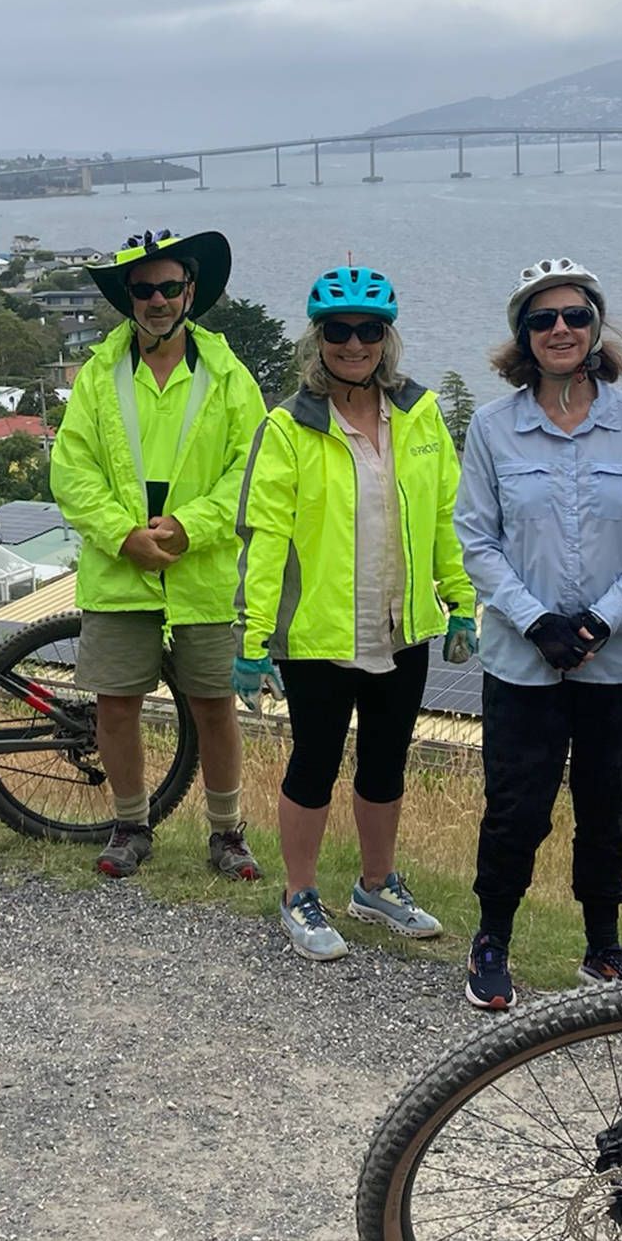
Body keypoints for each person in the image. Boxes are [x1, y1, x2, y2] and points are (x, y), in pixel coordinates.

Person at [452, 260, 622, 1010]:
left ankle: (603, 942)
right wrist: (538, 622)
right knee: (516, 805)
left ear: (596, 329)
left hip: (618, 659)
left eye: (575, 316)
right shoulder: (492, 427)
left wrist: (600, 619)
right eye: (543, 319)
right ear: (523, 335)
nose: (560, 329)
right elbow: (476, 540)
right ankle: (491, 937)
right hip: (523, 661)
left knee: (605, 804)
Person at [235, 267, 476, 961]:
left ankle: (375, 886)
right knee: (313, 765)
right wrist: (253, 641)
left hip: (401, 625)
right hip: (318, 633)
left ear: (386, 338)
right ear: (319, 340)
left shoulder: (421, 414)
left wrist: (460, 602)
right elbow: (264, 538)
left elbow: (445, 519)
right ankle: (298, 895)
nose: (354, 344)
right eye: (338, 332)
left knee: (385, 762)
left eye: (368, 331)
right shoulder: (287, 427)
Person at [49, 229, 267, 880]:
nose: (157, 300)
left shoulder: (229, 376)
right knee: (116, 704)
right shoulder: (99, 374)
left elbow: (251, 470)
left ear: (190, 292)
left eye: (170, 287)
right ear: (129, 298)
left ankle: (227, 833)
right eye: (144, 290)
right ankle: (129, 824)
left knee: (214, 704)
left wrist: (189, 527)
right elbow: (71, 469)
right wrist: (123, 535)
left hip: (202, 568)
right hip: (119, 568)